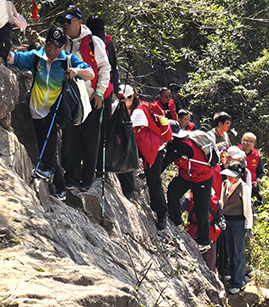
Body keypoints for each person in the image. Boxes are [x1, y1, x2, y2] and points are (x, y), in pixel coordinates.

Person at [7, 28, 94, 200]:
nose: (51, 51)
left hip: (55, 111)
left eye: (56, 48)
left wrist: (76, 71)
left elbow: (90, 73)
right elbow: (15, 58)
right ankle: (59, 186)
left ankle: (49, 172)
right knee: (44, 145)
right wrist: (2, 50)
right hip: (35, 108)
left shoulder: (68, 60)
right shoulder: (36, 57)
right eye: (49, 46)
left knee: (49, 144)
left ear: (63, 47)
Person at [59, 6, 111, 192]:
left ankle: (87, 177)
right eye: (63, 21)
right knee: (70, 138)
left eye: (69, 21)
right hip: (70, 98)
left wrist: (99, 92)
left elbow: (105, 68)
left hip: (91, 97)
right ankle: (71, 176)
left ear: (79, 22)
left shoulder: (94, 42)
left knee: (90, 140)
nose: (65, 24)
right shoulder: (62, 41)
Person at [121, 84, 172, 229]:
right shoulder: (132, 106)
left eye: (123, 100)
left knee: (153, 180)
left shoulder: (139, 112)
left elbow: (125, 128)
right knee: (124, 159)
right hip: (142, 143)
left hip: (153, 148)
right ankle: (128, 189)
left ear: (132, 97)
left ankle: (161, 213)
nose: (120, 103)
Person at [163, 122, 216, 252]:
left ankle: (204, 240)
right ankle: (175, 219)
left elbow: (165, 161)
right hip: (187, 175)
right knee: (173, 190)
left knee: (200, 208)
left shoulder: (183, 146)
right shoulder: (179, 143)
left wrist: (151, 175)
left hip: (203, 177)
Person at [86, 14, 125, 177]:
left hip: (105, 91)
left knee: (104, 127)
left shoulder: (107, 42)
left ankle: (100, 165)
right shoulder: (84, 42)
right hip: (87, 90)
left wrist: (117, 89)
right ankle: (88, 162)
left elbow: (113, 68)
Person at [220, 162, 253, 294]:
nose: (229, 177)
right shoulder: (225, 184)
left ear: (238, 175)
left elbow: (247, 209)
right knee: (229, 251)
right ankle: (233, 277)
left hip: (238, 223)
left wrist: (248, 226)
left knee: (238, 253)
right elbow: (222, 202)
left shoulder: (244, 188)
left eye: (232, 176)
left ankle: (238, 281)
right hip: (226, 221)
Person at [181, 190, 225, 272]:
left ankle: (210, 277)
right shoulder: (190, 199)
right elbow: (180, 208)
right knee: (197, 262)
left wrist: (222, 223)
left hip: (208, 235)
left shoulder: (215, 201)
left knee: (209, 264)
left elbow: (220, 217)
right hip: (195, 235)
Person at [239, 132, 264, 202]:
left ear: (254, 144)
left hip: (252, 187)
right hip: (237, 186)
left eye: (251, 141)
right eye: (246, 140)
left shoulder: (256, 155)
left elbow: (260, 172)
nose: (248, 143)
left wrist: (256, 182)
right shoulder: (236, 152)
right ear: (242, 141)